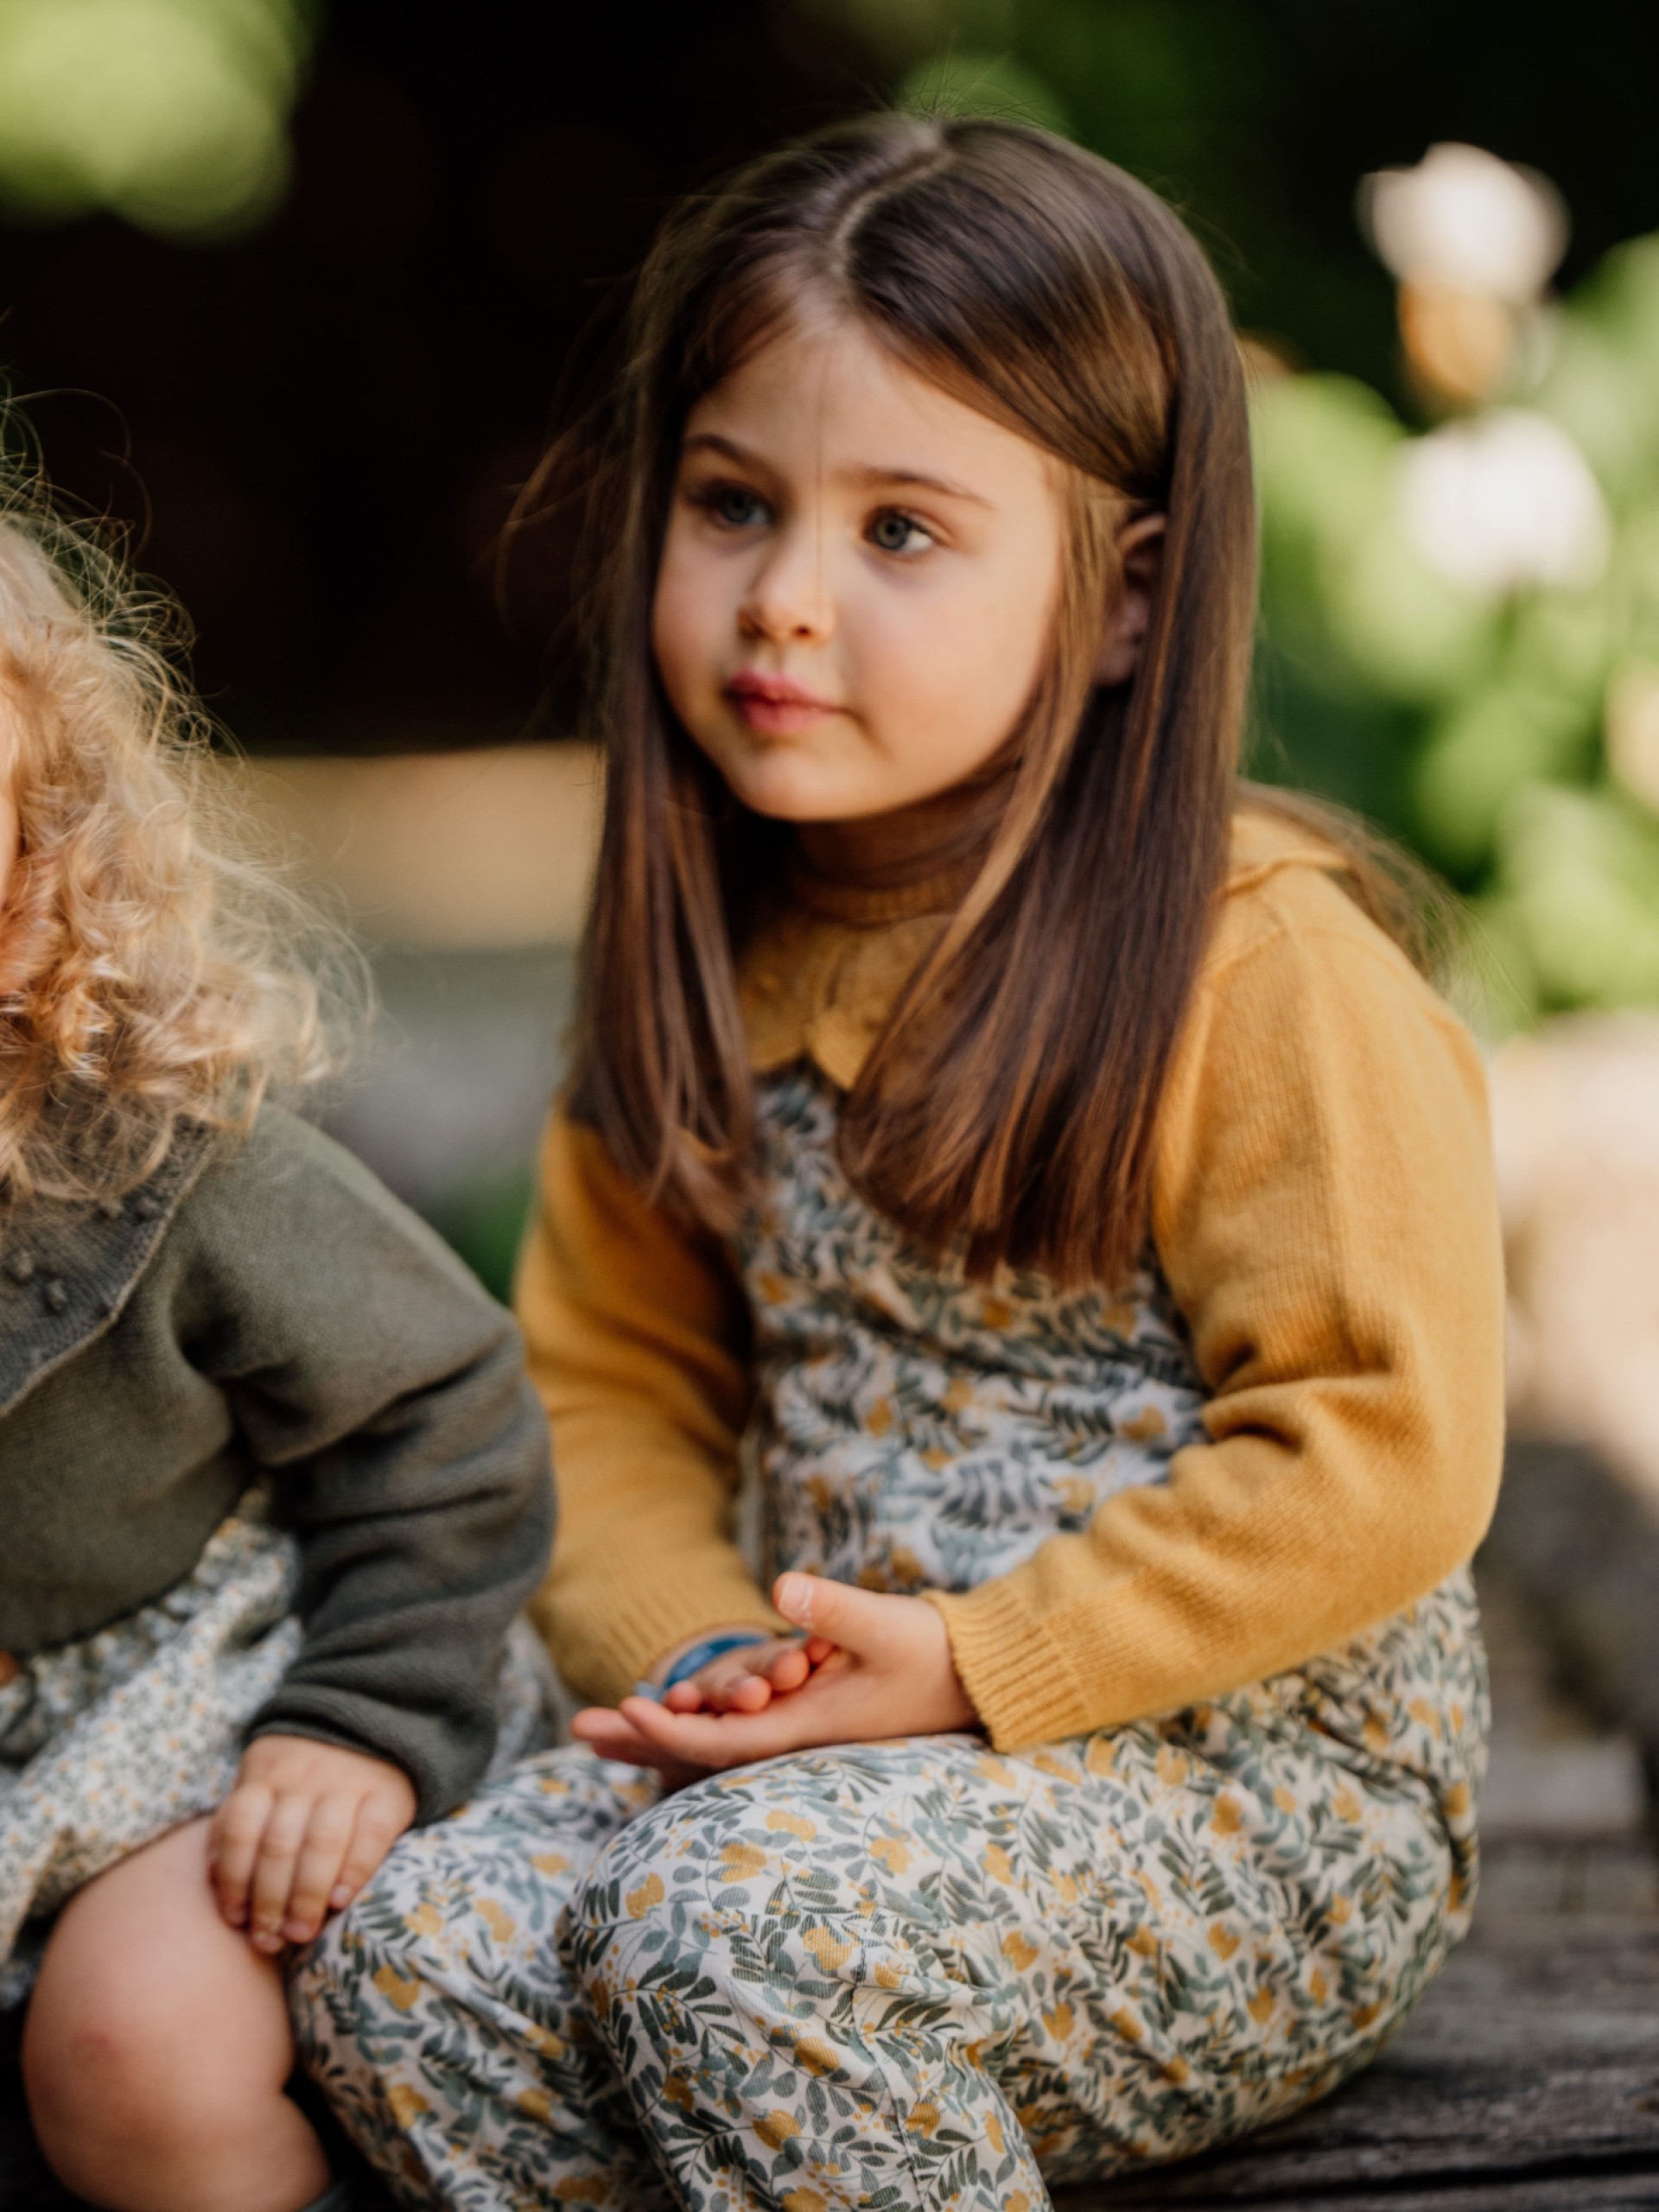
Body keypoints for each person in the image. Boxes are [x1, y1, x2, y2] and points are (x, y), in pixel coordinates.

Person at [293, 111, 1503, 2211]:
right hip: (826, 1771)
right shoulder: (704, 957)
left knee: (737, 1929)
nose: (782, 599)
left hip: (1247, 1798)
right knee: (404, 1962)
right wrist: (716, 1661)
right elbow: (600, 1393)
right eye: (733, 503)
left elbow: (1381, 1441)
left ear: (1126, 598)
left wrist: (968, 1666)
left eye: (902, 532)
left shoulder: (1257, 963)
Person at [0, 486, 556, 2212]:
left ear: (37, 887)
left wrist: (362, 1717)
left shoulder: (171, 1154)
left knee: (135, 2053)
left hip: (216, 1697)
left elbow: (450, 1416)